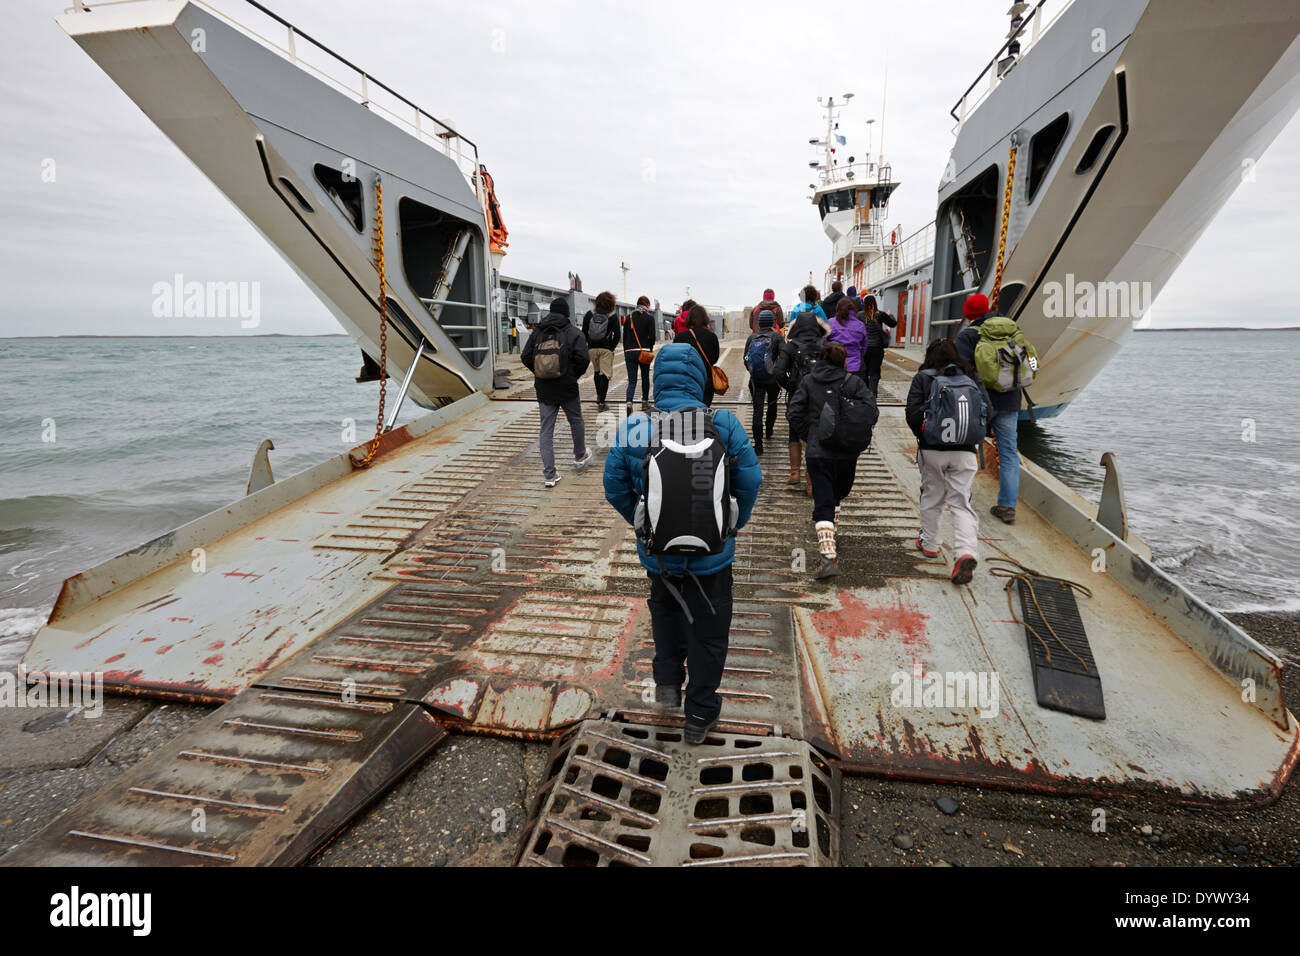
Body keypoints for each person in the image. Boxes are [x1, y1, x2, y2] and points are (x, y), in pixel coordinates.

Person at [603, 344, 762, 744]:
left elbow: (613, 486)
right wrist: (732, 523)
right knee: (708, 634)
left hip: (660, 559)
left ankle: (668, 690)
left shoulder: (635, 426)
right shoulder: (724, 423)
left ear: (657, 379)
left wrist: (643, 525)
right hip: (712, 560)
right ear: (699, 378)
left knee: (666, 621)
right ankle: (699, 716)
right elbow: (752, 480)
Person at [787, 341, 878, 579]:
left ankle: (829, 544)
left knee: (825, 498)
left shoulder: (808, 381)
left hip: (819, 452)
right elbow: (872, 411)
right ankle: (829, 545)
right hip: (848, 452)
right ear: (843, 360)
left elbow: (793, 412)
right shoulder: (854, 382)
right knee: (835, 496)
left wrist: (811, 433)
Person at [905, 338, 993, 585]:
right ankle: (965, 551)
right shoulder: (970, 378)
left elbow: (912, 414)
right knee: (961, 502)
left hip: (932, 449)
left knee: (932, 496)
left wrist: (923, 433)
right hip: (965, 450)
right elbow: (989, 411)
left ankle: (930, 544)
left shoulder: (923, 378)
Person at [955, 292, 1039, 525]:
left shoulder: (968, 336)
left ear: (968, 314)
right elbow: (1032, 360)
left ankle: (963, 499)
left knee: (966, 449)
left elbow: (960, 370)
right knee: (1009, 453)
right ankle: (1007, 506)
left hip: (978, 401)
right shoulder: (1013, 331)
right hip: (1010, 400)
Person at [521, 297, 592, 488]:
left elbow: (525, 356)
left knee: (546, 431)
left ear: (550, 312)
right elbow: (583, 359)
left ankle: (550, 475)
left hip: (544, 388)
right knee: (576, 420)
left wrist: (540, 372)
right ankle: (579, 456)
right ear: (566, 313)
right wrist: (571, 375)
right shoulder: (573, 332)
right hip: (567, 386)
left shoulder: (537, 332)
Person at [779, 296, 828, 492]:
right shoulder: (824, 346)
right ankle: (810, 481)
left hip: (797, 394)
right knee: (814, 434)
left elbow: (777, 371)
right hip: (821, 396)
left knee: (794, 431)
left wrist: (790, 386)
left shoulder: (791, 346)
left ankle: (794, 473)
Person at [743, 308, 783, 453]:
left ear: (759, 323)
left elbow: (745, 359)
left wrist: (754, 372)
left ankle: (758, 445)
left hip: (756, 380)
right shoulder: (777, 337)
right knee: (772, 405)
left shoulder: (752, 338)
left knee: (757, 410)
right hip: (773, 380)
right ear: (772, 322)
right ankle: (769, 431)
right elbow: (784, 358)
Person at [674, 304, 721, 406]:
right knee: (703, 410)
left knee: (687, 410)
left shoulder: (680, 337)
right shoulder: (711, 336)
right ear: (705, 318)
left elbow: (675, 358)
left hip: (686, 379)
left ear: (689, 319)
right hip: (706, 379)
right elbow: (715, 358)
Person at [581, 291, 620, 411]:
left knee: (597, 372)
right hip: (605, 349)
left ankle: (599, 396)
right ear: (611, 302)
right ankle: (602, 403)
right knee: (605, 375)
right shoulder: (612, 315)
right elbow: (617, 335)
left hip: (592, 349)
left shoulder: (589, 314)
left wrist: (589, 345)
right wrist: (611, 347)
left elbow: (583, 332)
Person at [623, 295, 656, 413]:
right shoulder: (649, 318)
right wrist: (649, 349)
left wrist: (626, 351)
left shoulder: (629, 317)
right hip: (644, 351)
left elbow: (624, 337)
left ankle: (629, 402)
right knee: (645, 377)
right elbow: (652, 337)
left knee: (632, 380)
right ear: (646, 305)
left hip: (630, 352)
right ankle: (644, 402)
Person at [860, 294, 898, 396]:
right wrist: (890, 315)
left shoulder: (859, 315)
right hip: (877, 348)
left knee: (864, 370)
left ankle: (865, 392)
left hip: (864, 348)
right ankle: (872, 392)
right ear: (875, 303)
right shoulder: (880, 314)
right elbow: (893, 323)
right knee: (875, 371)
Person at [828, 297, 867, 378]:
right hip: (855, 365)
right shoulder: (860, 325)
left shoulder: (831, 323)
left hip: (834, 364)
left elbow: (824, 343)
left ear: (837, 308)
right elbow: (864, 347)